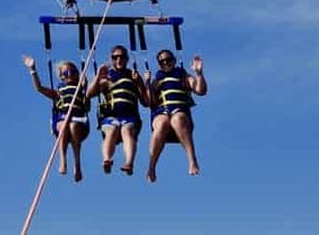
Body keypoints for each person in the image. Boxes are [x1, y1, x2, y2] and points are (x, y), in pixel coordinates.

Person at [22, 55, 89, 182]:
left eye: (73, 72)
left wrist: (85, 81)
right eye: (67, 73)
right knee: (64, 124)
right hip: (61, 121)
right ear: (61, 76)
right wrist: (33, 70)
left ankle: (77, 164)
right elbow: (39, 88)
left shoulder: (80, 89)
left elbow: (88, 93)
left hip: (79, 122)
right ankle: (63, 160)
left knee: (73, 126)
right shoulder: (59, 92)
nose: (70, 75)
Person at [85, 45, 150, 176]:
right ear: (111, 59)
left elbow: (146, 103)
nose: (118, 59)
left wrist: (142, 83)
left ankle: (129, 163)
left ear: (127, 59)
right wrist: (98, 77)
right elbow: (89, 94)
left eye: (122, 57)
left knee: (127, 131)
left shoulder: (133, 76)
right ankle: (107, 160)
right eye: (115, 57)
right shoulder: (106, 77)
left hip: (130, 116)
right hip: (110, 116)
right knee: (112, 130)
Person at [145, 50, 207, 183]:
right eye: (162, 62)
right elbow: (149, 102)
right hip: (162, 112)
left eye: (168, 60)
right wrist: (147, 84)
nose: (165, 63)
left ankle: (192, 160)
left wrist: (199, 74)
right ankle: (151, 166)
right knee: (162, 122)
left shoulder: (184, 77)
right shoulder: (157, 81)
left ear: (173, 60)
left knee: (177, 120)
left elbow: (201, 91)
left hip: (180, 112)